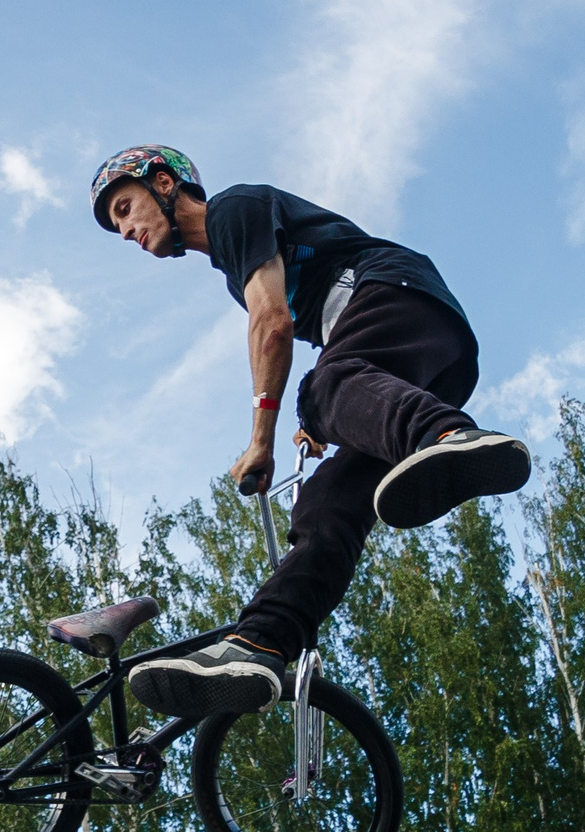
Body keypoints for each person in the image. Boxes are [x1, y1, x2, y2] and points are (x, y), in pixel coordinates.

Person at [90, 145, 531, 720]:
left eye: (126, 208)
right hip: (431, 361)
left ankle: (447, 437)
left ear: (167, 185)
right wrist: (324, 422)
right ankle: (261, 644)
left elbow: (273, 326)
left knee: (323, 385)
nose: (125, 230)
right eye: (117, 223)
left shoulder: (233, 211)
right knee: (329, 504)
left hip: (397, 295)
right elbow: (330, 341)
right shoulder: (234, 266)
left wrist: (264, 439)